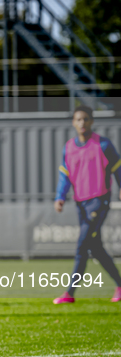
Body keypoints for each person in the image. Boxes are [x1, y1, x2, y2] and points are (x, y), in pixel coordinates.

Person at [53, 105, 121, 304]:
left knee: (82, 245)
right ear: (74, 123)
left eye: (85, 119)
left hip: (99, 201)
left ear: (91, 121)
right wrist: (60, 197)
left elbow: (117, 168)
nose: (82, 123)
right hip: (80, 204)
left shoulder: (103, 145)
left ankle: (69, 293)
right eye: (78, 119)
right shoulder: (69, 148)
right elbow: (64, 176)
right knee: (96, 248)